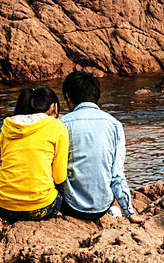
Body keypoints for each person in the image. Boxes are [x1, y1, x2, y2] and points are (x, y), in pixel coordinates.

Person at [58, 71, 148, 223]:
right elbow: (117, 175)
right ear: (96, 96)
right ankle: (116, 211)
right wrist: (131, 213)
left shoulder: (61, 124)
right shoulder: (115, 125)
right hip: (101, 208)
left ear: (68, 96)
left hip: (71, 207)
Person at [0, 86, 69, 222]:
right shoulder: (57, 127)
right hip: (41, 209)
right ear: (54, 107)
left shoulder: (7, 126)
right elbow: (59, 177)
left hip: (4, 208)